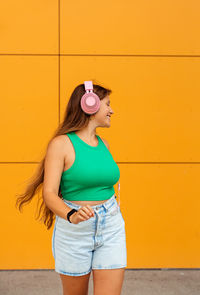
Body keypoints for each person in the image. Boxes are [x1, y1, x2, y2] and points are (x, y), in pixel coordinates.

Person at [15, 81, 127, 295]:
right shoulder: (61, 144)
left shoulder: (104, 145)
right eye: (108, 104)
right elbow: (49, 193)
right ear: (90, 104)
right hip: (75, 230)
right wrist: (71, 214)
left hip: (111, 225)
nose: (112, 110)